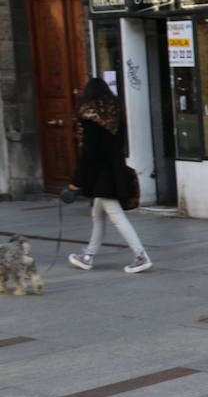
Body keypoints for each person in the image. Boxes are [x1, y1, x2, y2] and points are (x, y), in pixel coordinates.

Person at [63, 78, 152, 273]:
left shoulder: (90, 120)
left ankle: (140, 255)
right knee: (98, 215)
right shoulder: (115, 114)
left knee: (115, 215)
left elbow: (89, 153)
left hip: (102, 176)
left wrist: (76, 183)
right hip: (115, 169)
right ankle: (88, 256)